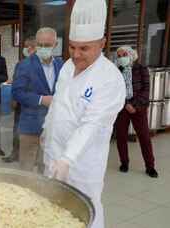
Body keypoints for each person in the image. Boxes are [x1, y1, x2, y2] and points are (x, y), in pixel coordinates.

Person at [42, 0, 126, 228]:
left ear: (102, 44)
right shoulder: (68, 67)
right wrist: (46, 133)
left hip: (82, 164)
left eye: (84, 48)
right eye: (72, 46)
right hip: (54, 156)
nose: (76, 55)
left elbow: (92, 124)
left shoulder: (109, 79)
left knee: (86, 211)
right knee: (53, 210)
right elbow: (58, 104)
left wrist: (67, 159)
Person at [12, 30, 63, 171]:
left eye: (47, 45)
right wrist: (41, 99)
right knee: (26, 169)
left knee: (47, 168)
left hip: (53, 126)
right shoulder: (25, 65)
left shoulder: (62, 65)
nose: (43, 48)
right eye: (39, 45)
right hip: (30, 125)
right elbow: (17, 93)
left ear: (55, 44)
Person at [114, 46, 158, 178]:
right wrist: (126, 104)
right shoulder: (117, 71)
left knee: (144, 136)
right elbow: (114, 90)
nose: (122, 58)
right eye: (119, 56)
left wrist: (134, 105)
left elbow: (146, 90)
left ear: (132, 55)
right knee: (121, 136)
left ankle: (150, 166)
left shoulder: (141, 69)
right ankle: (124, 163)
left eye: (124, 55)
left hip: (139, 108)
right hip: (122, 108)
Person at [2, 37, 38, 163]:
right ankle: (15, 153)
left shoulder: (42, 65)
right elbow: (16, 82)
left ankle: (34, 158)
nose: (27, 49)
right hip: (21, 103)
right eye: (26, 46)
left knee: (35, 132)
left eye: (31, 46)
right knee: (17, 129)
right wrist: (13, 99)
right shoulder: (20, 64)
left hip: (36, 105)